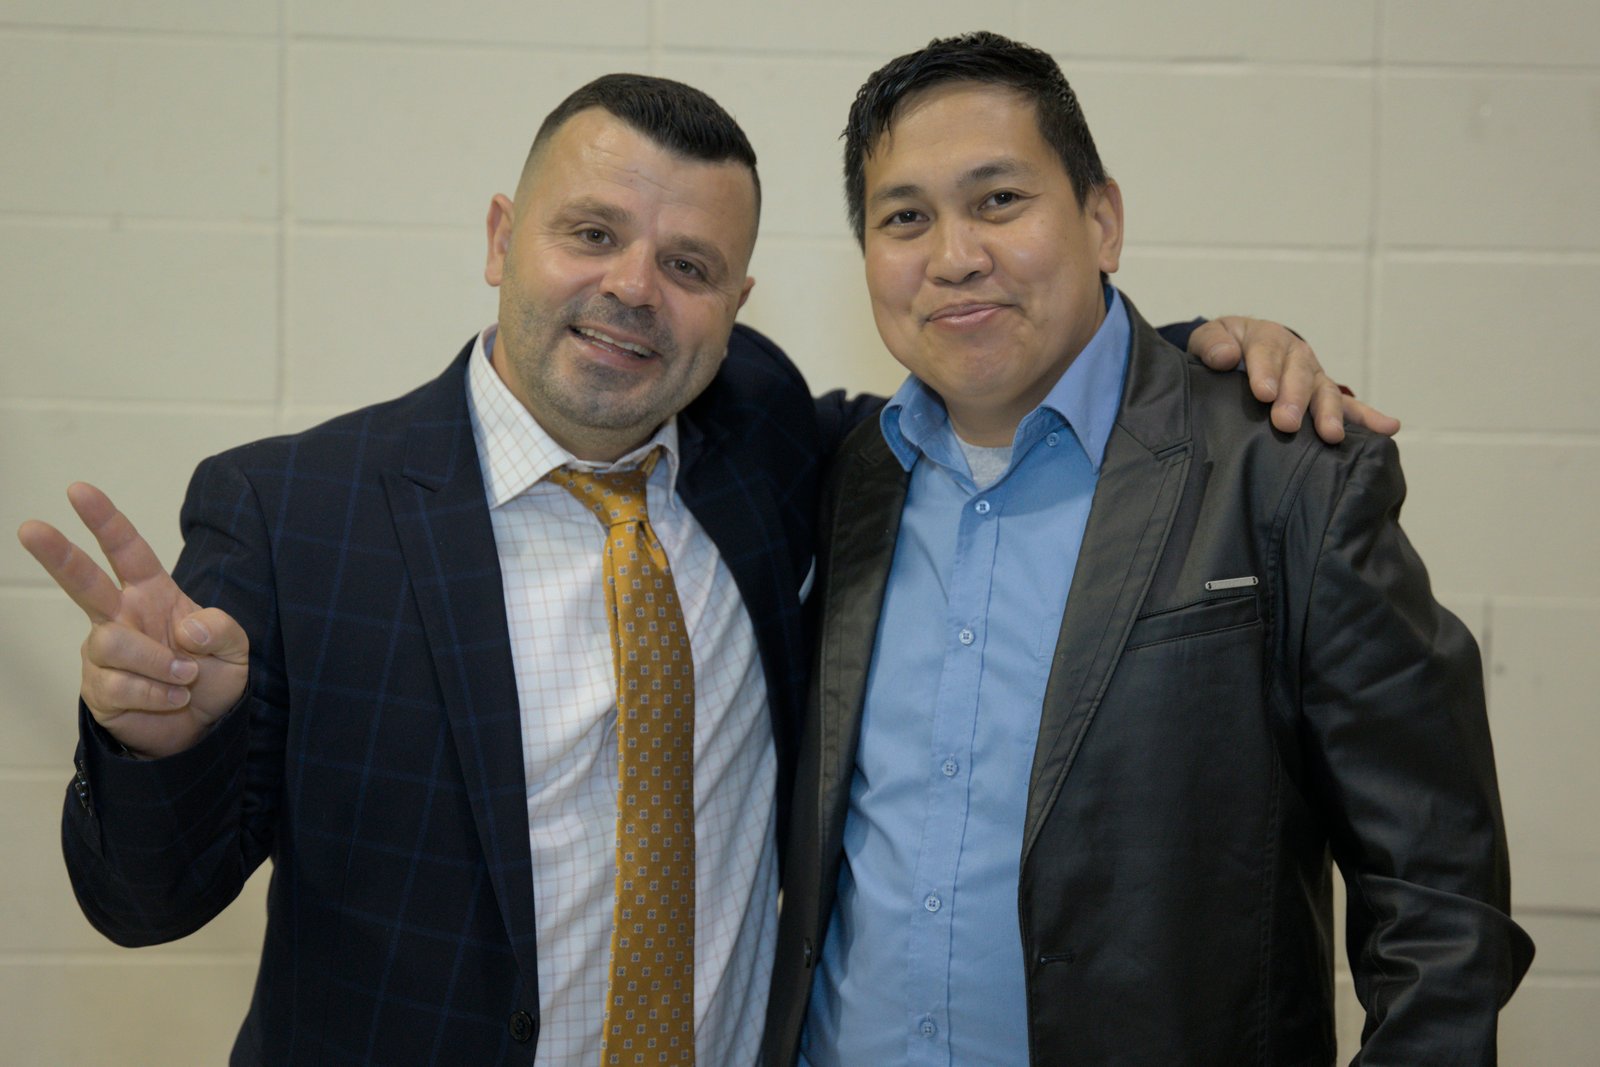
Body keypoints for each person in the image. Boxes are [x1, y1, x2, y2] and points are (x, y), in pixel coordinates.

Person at [20, 74, 1369, 1066]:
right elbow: (143, 899)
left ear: (736, 307)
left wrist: (1200, 356)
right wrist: (161, 741)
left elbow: (1003, 366)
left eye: (689, 264)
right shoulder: (292, 511)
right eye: (589, 234)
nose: (632, 289)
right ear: (500, 237)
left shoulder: (772, 451)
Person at [763, 32, 1533, 1067]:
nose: (953, 255)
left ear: (1102, 221)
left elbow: (1439, 899)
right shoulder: (841, 475)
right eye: (905, 217)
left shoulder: (1282, 474)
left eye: (999, 199)